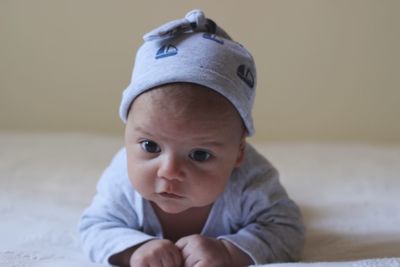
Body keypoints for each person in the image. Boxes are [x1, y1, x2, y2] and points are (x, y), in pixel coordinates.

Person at [79, 9, 304, 267]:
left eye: (200, 154)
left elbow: (288, 230)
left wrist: (230, 252)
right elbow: (94, 227)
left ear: (239, 151)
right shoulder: (122, 183)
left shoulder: (251, 182)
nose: (169, 171)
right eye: (150, 146)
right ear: (127, 132)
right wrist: (133, 250)